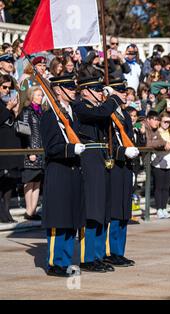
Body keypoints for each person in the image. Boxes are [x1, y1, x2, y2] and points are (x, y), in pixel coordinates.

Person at [72, 77, 126, 273]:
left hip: (102, 158)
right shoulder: (80, 106)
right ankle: (87, 258)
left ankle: (98, 254)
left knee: (102, 210)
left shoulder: (100, 107)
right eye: (96, 89)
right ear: (85, 91)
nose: (100, 92)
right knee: (92, 210)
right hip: (90, 160)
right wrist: (113, 98)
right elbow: (100, 113)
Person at [40, 75, 85, 277]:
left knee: (70, 219)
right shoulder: (51, 116)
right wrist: (70, 149)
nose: (73, 90)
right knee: (59, 220)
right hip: (58, 171)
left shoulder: (72, 114)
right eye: (68, 87)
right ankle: (55, 263)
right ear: (57, 90)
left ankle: (65, 260)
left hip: (73, 171)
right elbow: (51, 148)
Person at [103, 79, 139, 267]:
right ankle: (109, 251)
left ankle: (119, 251)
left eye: (125, 91)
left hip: (126, 166)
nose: (125, 94)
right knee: (114, 211)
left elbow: (129, 139)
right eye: (120, 91)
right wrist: (120, 151)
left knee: (124, 210)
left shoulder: (124, 114)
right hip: (113, 166)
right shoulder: (107, 113)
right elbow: (107, 142)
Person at [22, 86, 46, 221]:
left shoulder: (42, 111)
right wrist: (30, 150)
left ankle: (33, 210)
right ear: (31, 96)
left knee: (37, 181)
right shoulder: (27, 110)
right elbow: (25, 132)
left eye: (41, 95)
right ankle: (28, 210)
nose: (40, 97)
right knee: (29, 180)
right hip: (31, 149)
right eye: (37, 95)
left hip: (41, 150)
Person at [0, 74, 21, 223]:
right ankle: (1, 213)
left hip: (11, 144)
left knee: (10, 181)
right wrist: (8, 108)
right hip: (2, 145)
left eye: (9, 88)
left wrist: (15, 111)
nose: (7, 90)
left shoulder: (8, 102)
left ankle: (6, 211)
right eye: (4, 87)